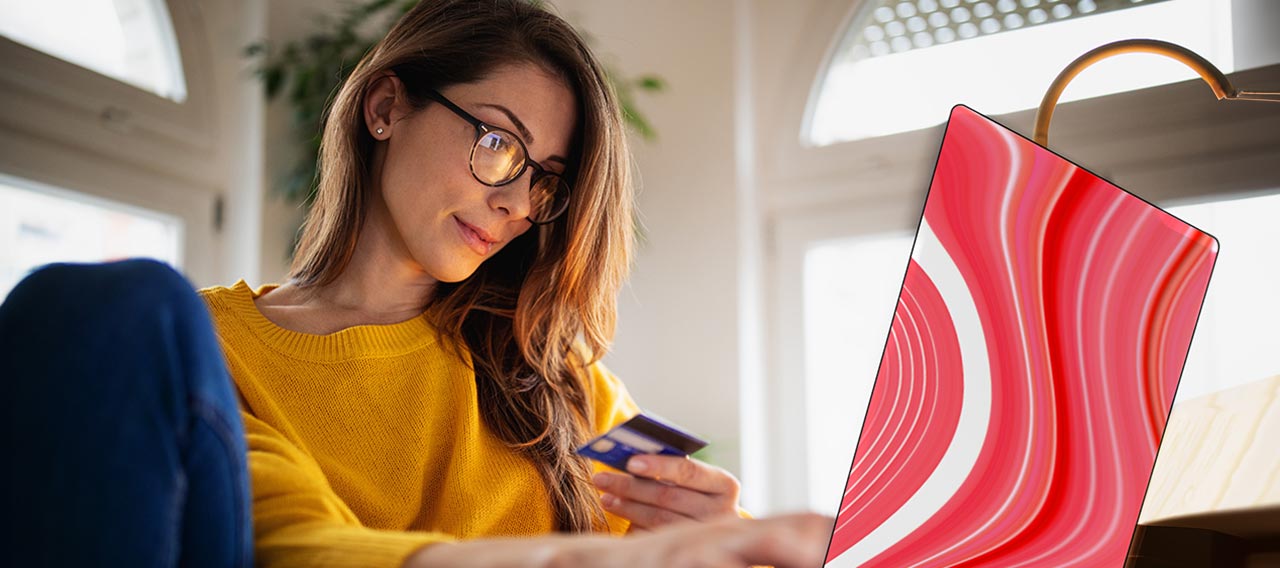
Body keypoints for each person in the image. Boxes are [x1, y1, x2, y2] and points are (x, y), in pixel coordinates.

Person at [2, 0, 832, 566]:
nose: (515, 203)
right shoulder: (210, 345)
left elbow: (715, 548)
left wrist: (722, 531)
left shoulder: (563, 381)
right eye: (499, 144)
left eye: (544, 178)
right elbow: (297, 542)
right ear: (386, 107)